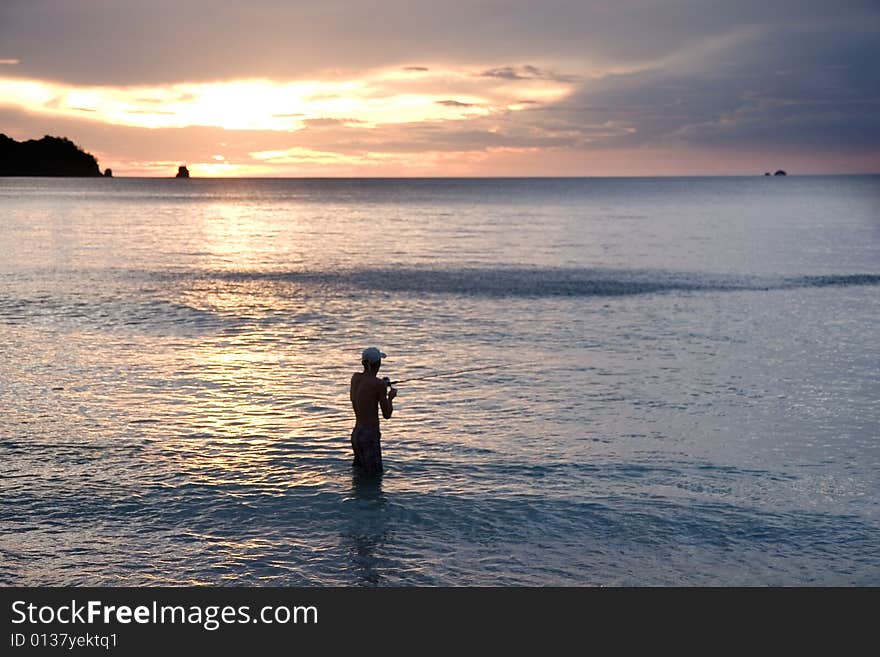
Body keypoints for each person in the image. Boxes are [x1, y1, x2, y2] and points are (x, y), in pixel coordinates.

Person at [350, 347, 397, 474]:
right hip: (370, 436)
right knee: (374, 476)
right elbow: (387, 414)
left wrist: (381, 385)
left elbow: (364, 392)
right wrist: (390, 397)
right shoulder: (378, 385)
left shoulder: (355, 378)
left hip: (356, 434)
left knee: (359, 475)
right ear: (378, 364)